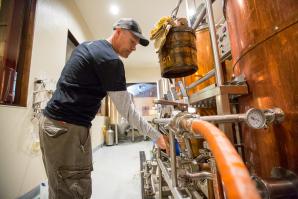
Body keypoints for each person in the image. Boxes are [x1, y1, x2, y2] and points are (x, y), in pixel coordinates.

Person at [39, 18, 169, 199]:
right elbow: (128, 112)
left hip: (50, 125)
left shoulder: (87, 46)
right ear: (118, 31)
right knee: (73, 191)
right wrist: (158, 137)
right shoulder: (110, 61)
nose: (134, 48)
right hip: (67, 131)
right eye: (132, 41)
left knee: (59, 186)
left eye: (137, 44)